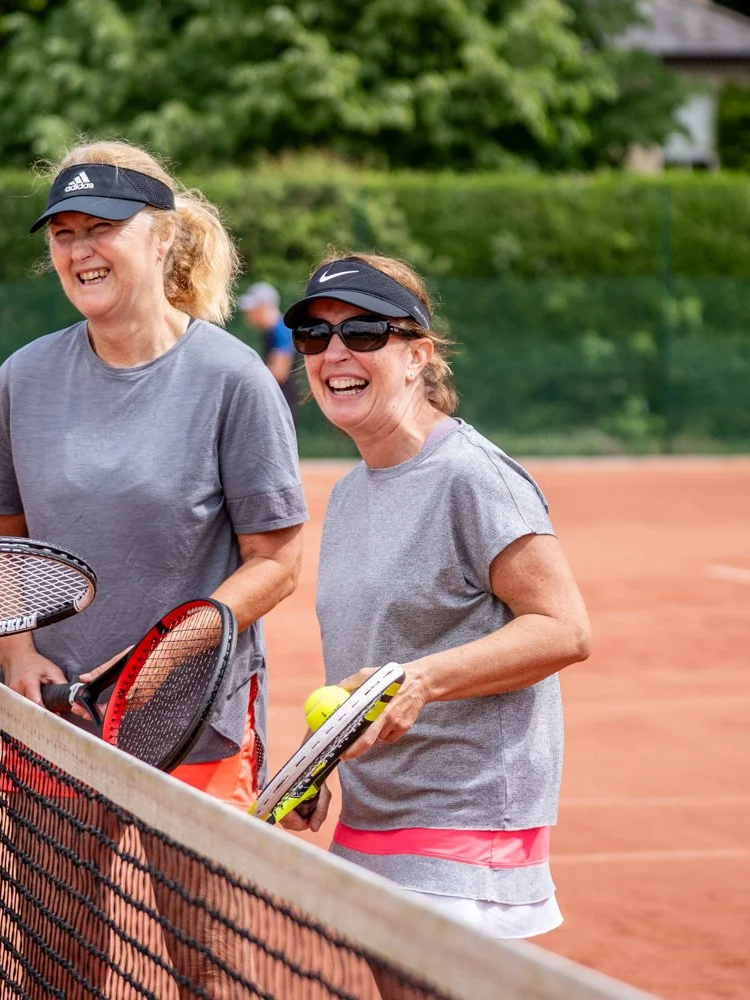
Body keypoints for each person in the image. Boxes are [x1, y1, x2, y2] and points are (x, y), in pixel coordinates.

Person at [0, 140, 307, 993]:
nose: (80, 250)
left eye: (103, 229)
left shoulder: (236, 381)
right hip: (54, 719)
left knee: (207, 967)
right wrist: (16, 653)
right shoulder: (21, 379)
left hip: (199, 722)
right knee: (58, 970)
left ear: (161, 238)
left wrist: (176, 649)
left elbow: (277, 560)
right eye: (63, 234)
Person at [276, 251, 591, 945]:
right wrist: (316, 759)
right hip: (374, 817)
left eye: (363, 333)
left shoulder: (471, 476)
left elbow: (565, 629)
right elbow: (371, 661)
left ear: (418, 355)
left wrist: (420, 682)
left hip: (465, 822)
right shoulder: (353, 491)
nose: (335, 353)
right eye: (315, 337)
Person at [237, 280, 300, 421]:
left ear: (264, 307)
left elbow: (278, 373)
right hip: (275, 404)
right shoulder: (271, 331)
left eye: (252, 308)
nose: (248, 314)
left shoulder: (281, 330)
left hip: (280, 408)